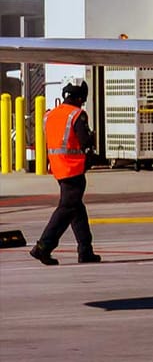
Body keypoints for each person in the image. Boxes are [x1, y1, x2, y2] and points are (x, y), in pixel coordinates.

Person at [28, 80, 101, 265]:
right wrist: (90, 158)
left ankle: (85, 250)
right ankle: (44, 246)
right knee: (67, 208)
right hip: (73, 168)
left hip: (58, 168)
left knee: (76, 208)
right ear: (80, 97)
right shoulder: (77, 115)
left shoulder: (50, 115)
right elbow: (85, 143)